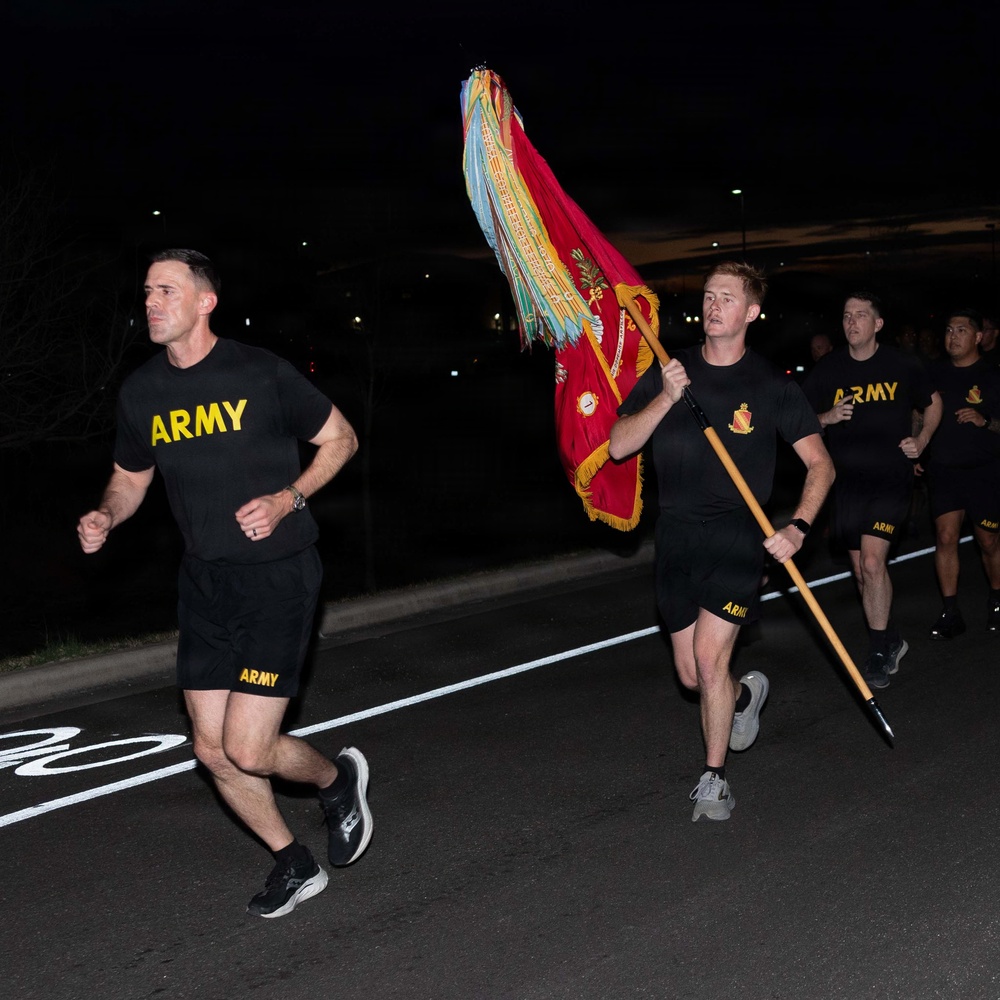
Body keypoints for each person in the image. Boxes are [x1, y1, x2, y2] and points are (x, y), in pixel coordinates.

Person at [78, 250, 371, 919]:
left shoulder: (259, 372)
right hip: (204, 583)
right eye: (147, 290)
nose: (152, 302)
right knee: (209, 747)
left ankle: (335, 779)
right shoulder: (142, 392)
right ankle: (295, 863)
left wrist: (288, 497)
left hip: (277, 578)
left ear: (205, 301)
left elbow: (342, 440)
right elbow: (130, 477)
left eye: (167, 290)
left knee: (247, 746)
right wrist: (107, 514)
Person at [609, 262, 834, 823]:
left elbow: (821, 466)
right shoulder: (671, 367)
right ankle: (743, 696)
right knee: (692, 676)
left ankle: (713, 780)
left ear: (751, 313)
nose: (713, 306)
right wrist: (664, 398)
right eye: (708, 296)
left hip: (738, 537)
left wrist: (798, 526)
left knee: (710, 663)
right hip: (677, 537)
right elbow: (617, 445)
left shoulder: (772, 385)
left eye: (727, 298)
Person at [802, 291, 942, 690]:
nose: (852, 323)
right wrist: (825, 416)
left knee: (872, 564)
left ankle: (878, 650)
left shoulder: (901, 363)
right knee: (862, 573)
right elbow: (795, 416)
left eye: (861, 315)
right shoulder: (828, 370)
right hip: (845, 484)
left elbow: (933, 404)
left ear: (877, 324)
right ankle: (892, 637)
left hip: (889, 479)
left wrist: (924, 440)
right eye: (846, 316)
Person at [920, 310, 1000, 637]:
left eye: (962, 330)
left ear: (978, 337)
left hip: (985, 471)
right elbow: (919, 412)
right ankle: (950, 611)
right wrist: (918, 445)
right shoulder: (934, 374)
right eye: (950, 329)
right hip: (943, 469)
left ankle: (996, 600)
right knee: (945, 537)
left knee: (988, 540)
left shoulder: (993, 375)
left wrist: (986, 422)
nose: (953, 336)